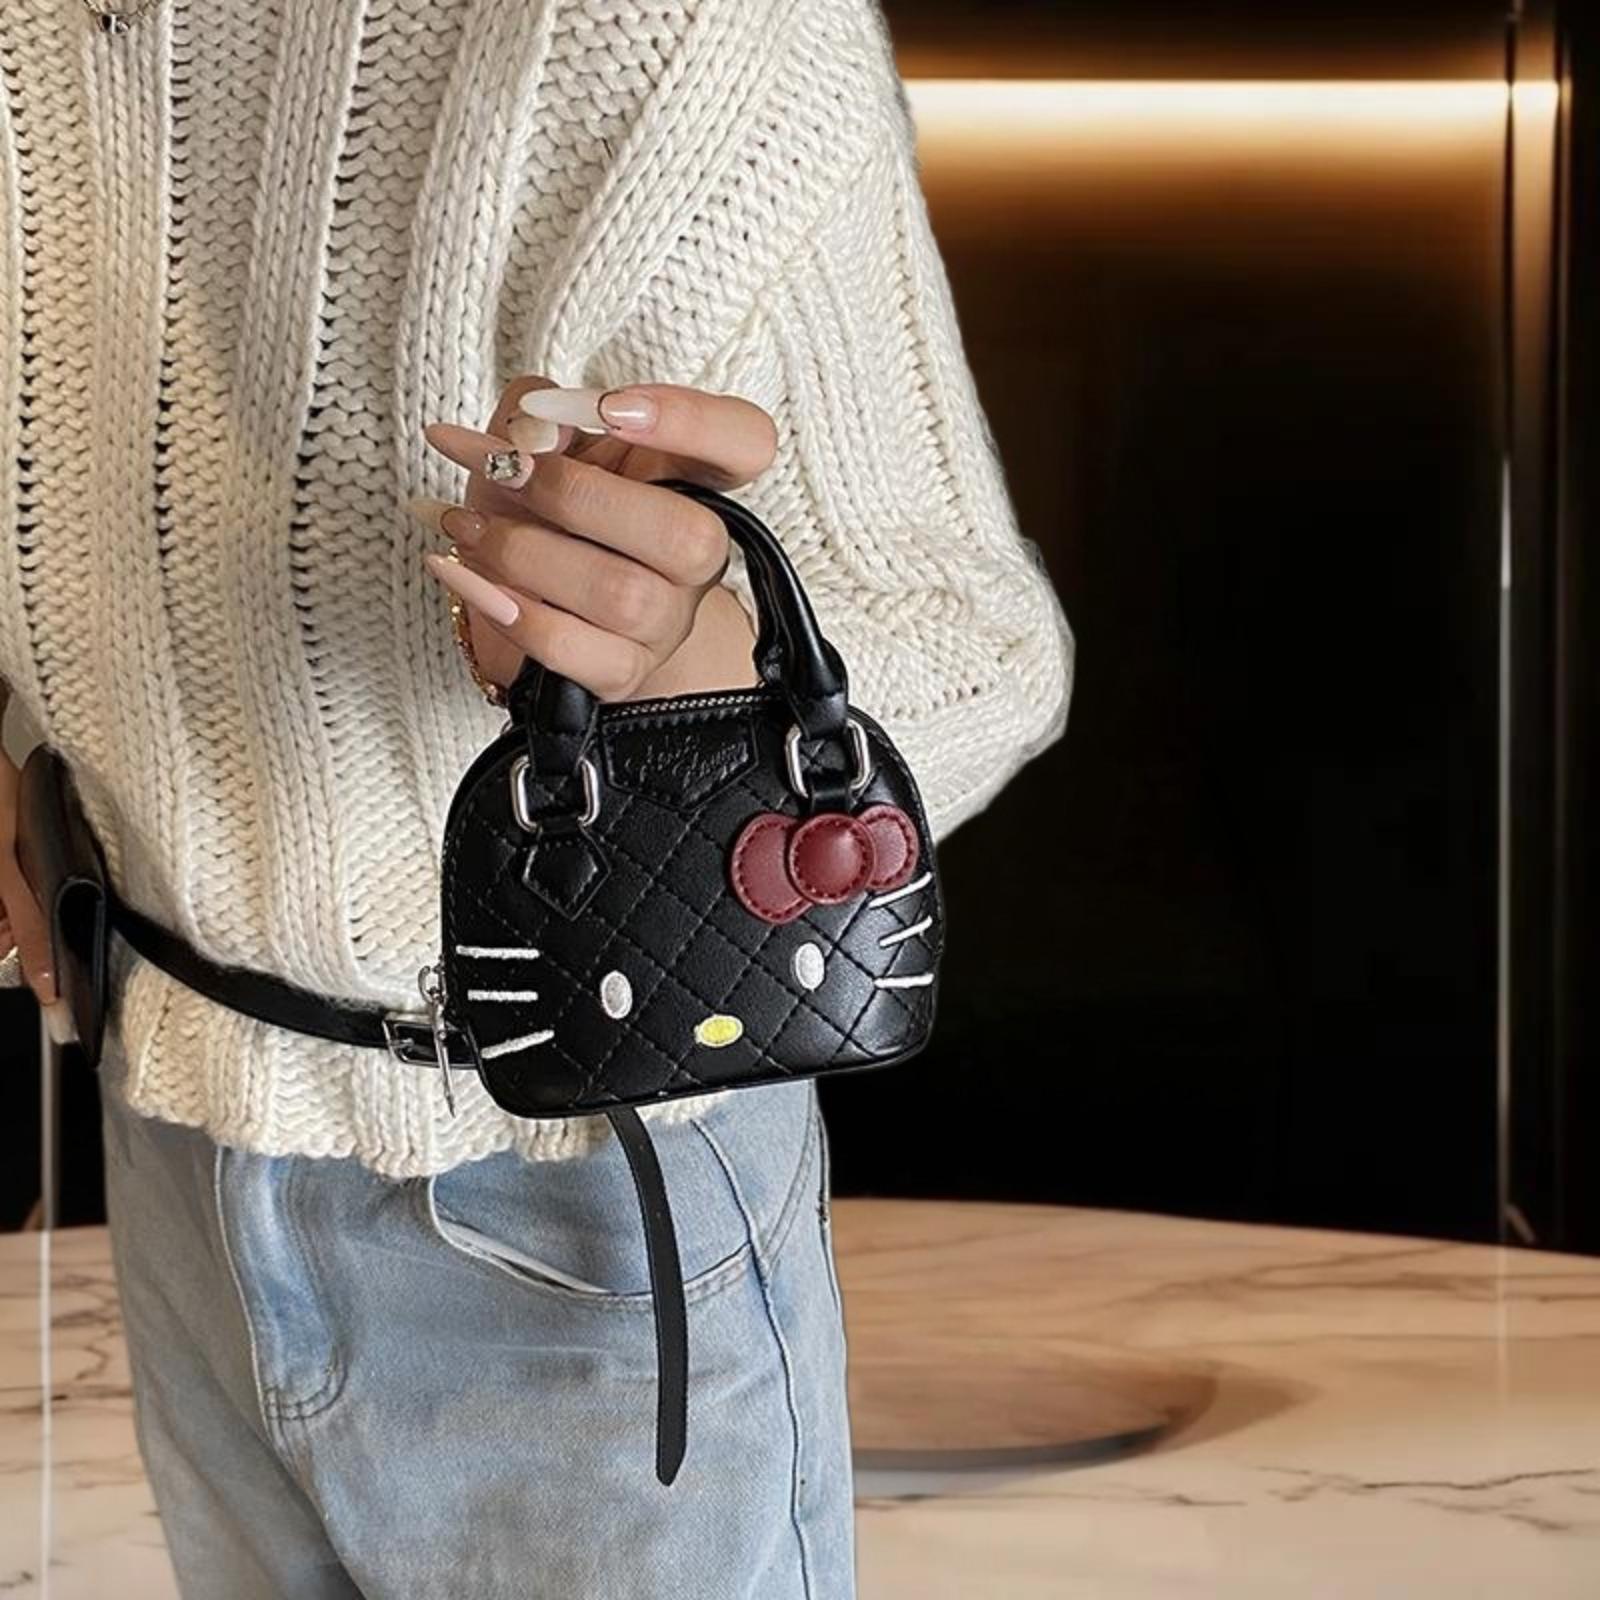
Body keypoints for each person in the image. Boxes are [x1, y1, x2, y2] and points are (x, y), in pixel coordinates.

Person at [0, 0, 1074, 1595]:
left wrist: (701, 681)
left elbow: (979, 652)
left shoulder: (674, 30)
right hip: (174, 1133)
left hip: (576, 1184)